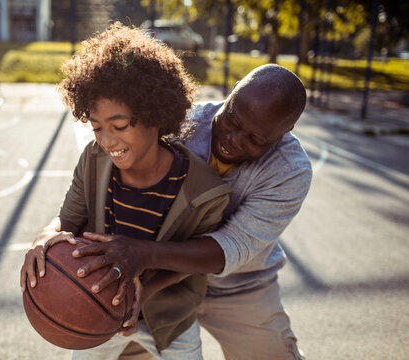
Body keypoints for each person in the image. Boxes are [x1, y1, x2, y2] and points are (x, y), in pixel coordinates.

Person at [19, 23, 231, 360]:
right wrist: (44, 238)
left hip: (169, 316)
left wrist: (143, 291)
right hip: (96, 306)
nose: (106, 140)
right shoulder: (93, 160)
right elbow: (68, 219)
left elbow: (191, 261)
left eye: (119, 126)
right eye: (97, 127)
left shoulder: (203, 190)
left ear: (154, 115)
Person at [74, 64, 312, 359]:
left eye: (255, 139)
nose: (234, 140)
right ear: (233, 92)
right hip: (154, 281)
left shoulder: (290, 171)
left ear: (283, 133)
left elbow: (231, 246)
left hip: (238, 288)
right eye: (233, 120)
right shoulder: (180, 123)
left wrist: (144, 253)